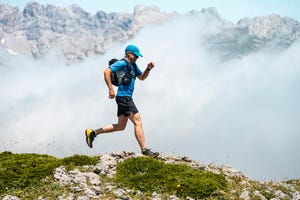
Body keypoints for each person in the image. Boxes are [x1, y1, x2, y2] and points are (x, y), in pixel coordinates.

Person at [85, 44, 159, 157]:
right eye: (135, 55)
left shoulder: (133, 65)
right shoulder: (122, 63)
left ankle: (93, 133)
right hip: (124, 97)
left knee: (121, 126)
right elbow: (106, 72)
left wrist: (148, 69)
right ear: (129, 54)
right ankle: (144, 150)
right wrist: (110, 89)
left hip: (124, 98)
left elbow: (142, 77)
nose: (137, 58)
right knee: (138, 122)